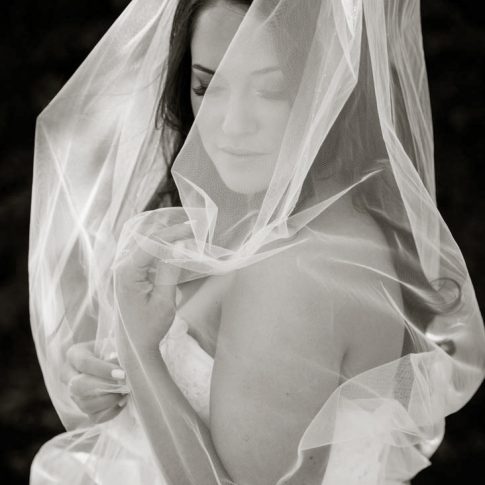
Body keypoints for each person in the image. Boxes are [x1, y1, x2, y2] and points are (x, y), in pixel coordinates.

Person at [29, 0, 485, 484]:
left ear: (330, 88)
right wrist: (119, 382)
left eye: (271, 89)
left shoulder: (301, 269)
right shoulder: (274, 219)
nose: (231, 124)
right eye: (208, 86)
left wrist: (140, 353)